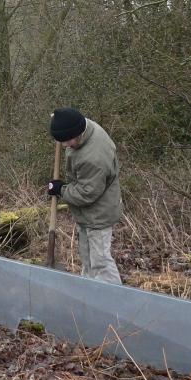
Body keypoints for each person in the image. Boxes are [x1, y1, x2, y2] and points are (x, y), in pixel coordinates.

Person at [48, 108, 123, 285]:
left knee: (100, 263)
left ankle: (115, 302)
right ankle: (89, 292)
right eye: (62, 141)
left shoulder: (94, 156)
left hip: (98, 213)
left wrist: (61, 190)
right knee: (88, 260)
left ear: (77, 134)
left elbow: (87, 193)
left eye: (67, 141)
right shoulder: (80, 126)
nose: (65, 145)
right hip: (87, 213)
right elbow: (66, 121)